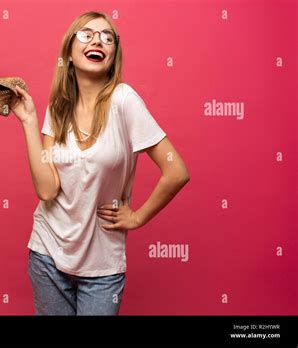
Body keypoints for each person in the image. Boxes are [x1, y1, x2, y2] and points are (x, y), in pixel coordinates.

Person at [10, 11, 190, 315]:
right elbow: (47, 189)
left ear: (113, 55)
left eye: (108, 38)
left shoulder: (124, 100)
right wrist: (28, 120)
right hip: (47, 254)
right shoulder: (59, 106)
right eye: (87, 34)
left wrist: (137, 217)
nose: (98, 41)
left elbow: (177, 172)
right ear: (69, 52)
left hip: (102, 267)